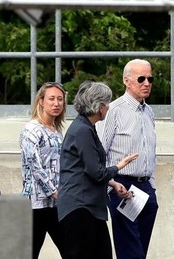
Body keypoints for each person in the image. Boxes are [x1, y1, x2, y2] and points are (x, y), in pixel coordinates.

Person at [58, 81, 138, 259]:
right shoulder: (82, 130)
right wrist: (119, 166)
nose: (108, 108)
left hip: (89, 207)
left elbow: (87, 168)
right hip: (80, 207)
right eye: (106, 104)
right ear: (99, 107)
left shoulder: (87, 128)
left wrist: (112, 183)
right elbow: (96, 172)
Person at [97, 59, 159, 259]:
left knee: (140, 251)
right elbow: (99, 152)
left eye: (150, 79)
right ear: (127, 81)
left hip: (146, 188)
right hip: (122, 186)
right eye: (141, 79)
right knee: (130, 252)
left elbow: (150, 151)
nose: (146, 83)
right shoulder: (114, 111)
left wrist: (152, 186)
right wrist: (111, 186)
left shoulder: (149, 112)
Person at [20, 82, 68, 259]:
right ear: (41, 101)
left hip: (56, 204)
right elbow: (34, 164)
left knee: (71, 250)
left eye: (60, 99)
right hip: (35, 204)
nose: (56, 103)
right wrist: (53, 191)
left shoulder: (57, 131)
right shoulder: (31, 130)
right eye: (51, 99)